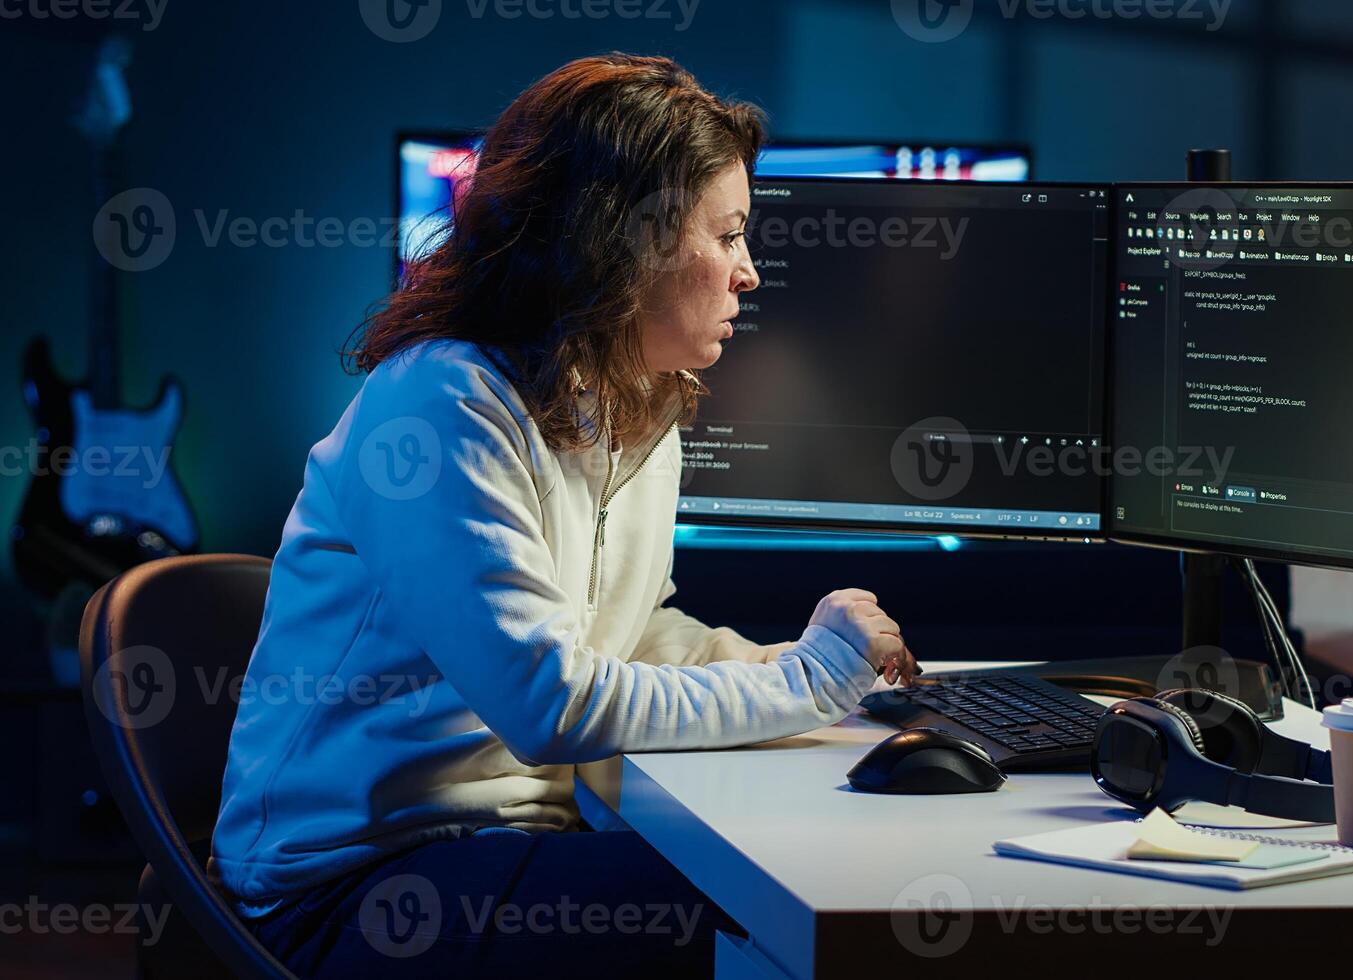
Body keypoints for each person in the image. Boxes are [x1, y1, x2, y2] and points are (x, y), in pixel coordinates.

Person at [208, 54, 916, 977]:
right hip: (352, 889)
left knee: (790, 882)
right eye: (730, 233)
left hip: (505, 846)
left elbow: (619, 633)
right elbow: (548, 699)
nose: (748, 272)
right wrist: (811, 684)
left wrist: (800, 671)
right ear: (623, 241)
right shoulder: (440, 403)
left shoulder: (639, 403)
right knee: (774, 912)